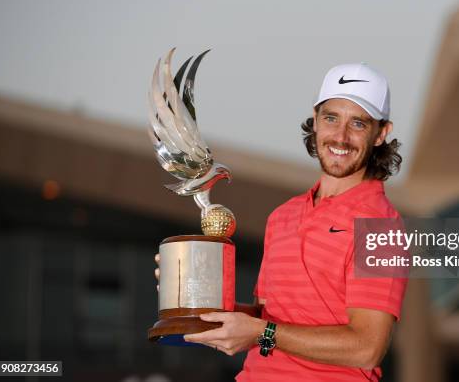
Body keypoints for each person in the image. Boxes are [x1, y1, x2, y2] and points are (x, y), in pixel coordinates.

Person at [158, 62, 408, 381]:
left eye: (358, 123)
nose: (341, 137)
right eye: (331, 118)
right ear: (315, 121)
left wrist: (263, 332)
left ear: (380, 134)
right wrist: (190, 298)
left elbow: (366, 347)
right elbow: (267, 320)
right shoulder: (283, 216)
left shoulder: (381, 228)